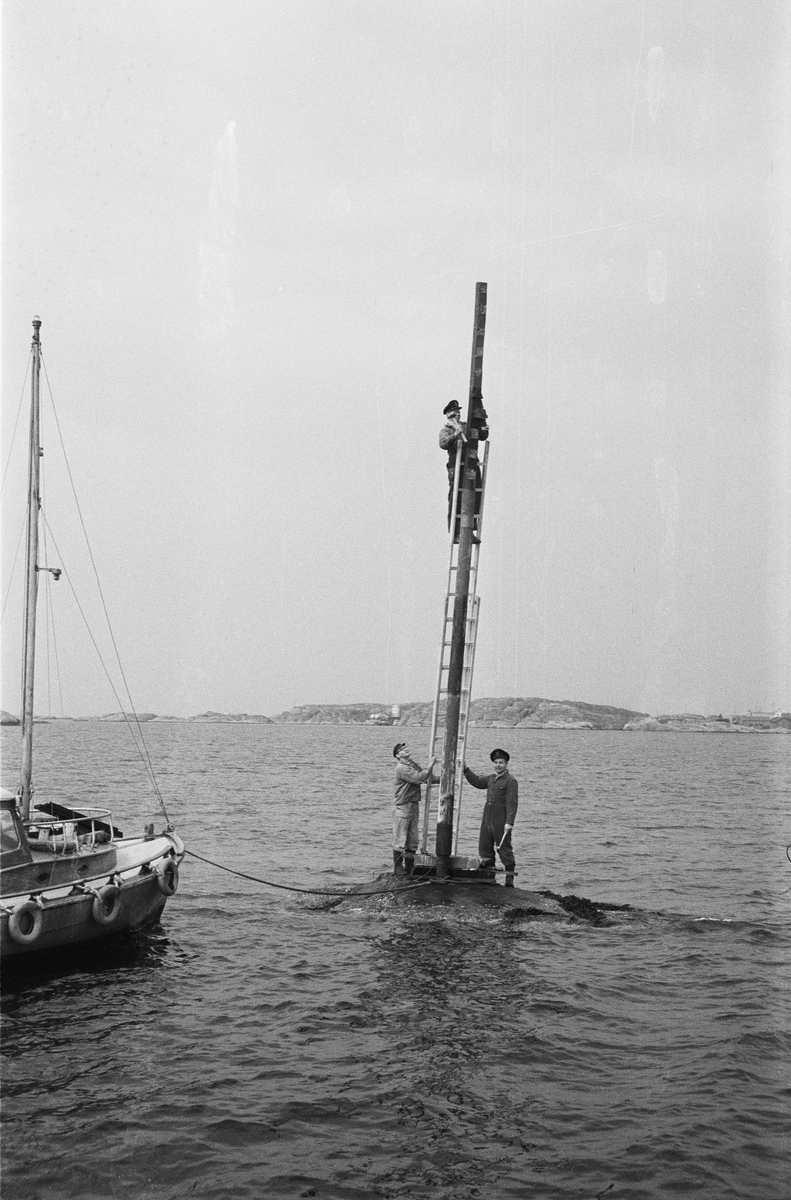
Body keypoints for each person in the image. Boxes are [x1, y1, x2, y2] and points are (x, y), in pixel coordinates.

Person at [464, 748, 518, 885]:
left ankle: (509, 879)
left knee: (504, 848)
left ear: (506, 764)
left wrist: (509, 822)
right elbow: (477, 782)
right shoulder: (491, 779)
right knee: (485, 847)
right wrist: (466, 770)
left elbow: (512, 804)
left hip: (501, 821)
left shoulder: (511, 781)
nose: (498, 765)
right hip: (487, 820)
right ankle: (489, 877)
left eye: (501, 762)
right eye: (496, 762)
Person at [438, 400, 488, 540]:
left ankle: (470, 529)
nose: (458, 415)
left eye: (459, 413)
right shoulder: (446, 430)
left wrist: (483, 427)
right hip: (456, 466)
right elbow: (443, 443)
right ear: (448, 415)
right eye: (455, 413)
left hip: (470, 464)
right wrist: (455, 435)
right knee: (456, 497)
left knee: (475, 493)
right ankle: (456, 531)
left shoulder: (466, 427)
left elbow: (480, 435)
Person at [392, 742, 437, 875]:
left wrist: (445, 778)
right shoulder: (401, 768)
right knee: (400, 839)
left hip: (413, 804)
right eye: (402, 749)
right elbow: (419, 778)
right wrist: (431, 765)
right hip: (403, 806)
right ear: (397, 756)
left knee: (412, 839)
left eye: (405, 747)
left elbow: (427, 778)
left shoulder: (412, 764)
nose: (405, 750)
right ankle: (398, 868)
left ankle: (409, 866)